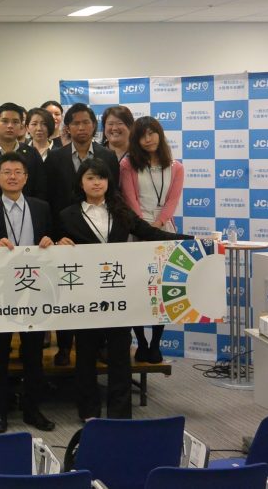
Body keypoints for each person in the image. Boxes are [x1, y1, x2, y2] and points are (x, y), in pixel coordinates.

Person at [57, 158, 190, 420]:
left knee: (120, 353)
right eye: (90, 178)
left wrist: (192, 241)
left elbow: (151, 234)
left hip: (118, 292)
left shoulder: (121, 211)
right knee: (85, 354)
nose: (97, 183)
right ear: (81, 183)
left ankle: (120, 414)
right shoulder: (66, 215)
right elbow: (50, 245)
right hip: (84, 295)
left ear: (109, 182)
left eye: (101, 178)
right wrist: (57, 242)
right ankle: (89, 412)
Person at [0, 153, 59, 434]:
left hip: (34, 289)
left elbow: (51, 240)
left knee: (34, 354)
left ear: (26, 177)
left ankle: (33, 410)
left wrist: (50, 241)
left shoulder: (41, 207)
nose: (12, 176)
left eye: (18, 172)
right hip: (0, 291)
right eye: (7, 172)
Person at [44, 103, 118, 365]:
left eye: (86, 122)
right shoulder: (55, 158)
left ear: (94, 125)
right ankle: (64, 346)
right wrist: (54, 237)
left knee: (100, 292)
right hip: (67, 237)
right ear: (67, 128)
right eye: (75, 123)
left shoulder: (108, 156)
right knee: (68, 291)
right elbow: (49, 200)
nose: (81, 127)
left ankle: (100, 344)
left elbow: (114, 195)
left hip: (99, 237)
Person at [120, 116, 185, 364]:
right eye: (142, 136)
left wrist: (158, 225)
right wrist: (144, 227)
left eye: (152, 133)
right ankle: (141, 342)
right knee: (137, 290)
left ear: (160, 134)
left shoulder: (176, 167)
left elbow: (172, 200)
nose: (148, 139)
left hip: (164, 230)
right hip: (136, 230)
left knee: (162, 292)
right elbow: (130, 199)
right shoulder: (128, 164)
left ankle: (156, 344)